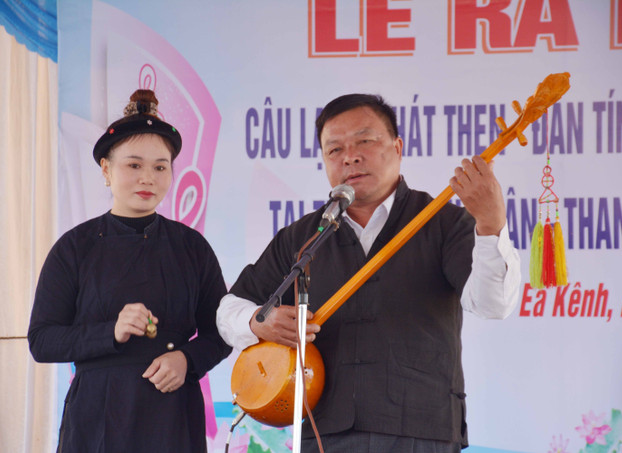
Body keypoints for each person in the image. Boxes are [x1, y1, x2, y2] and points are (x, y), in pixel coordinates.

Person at [216, 94, 520, 452]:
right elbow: (229, 308)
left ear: (397, 147)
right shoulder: (302, 237)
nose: (350, 157)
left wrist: (490, 225)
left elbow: (493, 304)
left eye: (365, 141)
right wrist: (258, 323)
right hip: (326, 433)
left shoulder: (444, 222)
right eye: (335, 149)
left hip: (422, 431)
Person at [28, 89, 231, 452]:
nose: (148, 178)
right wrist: (111, 331)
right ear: (106, 170)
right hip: (97, 415)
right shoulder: (75, 247)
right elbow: (42, 341)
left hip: (173, 416)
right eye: (134, 165)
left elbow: (222, 332)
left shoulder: (192, 247)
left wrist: (187, 360)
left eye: (160, 167)